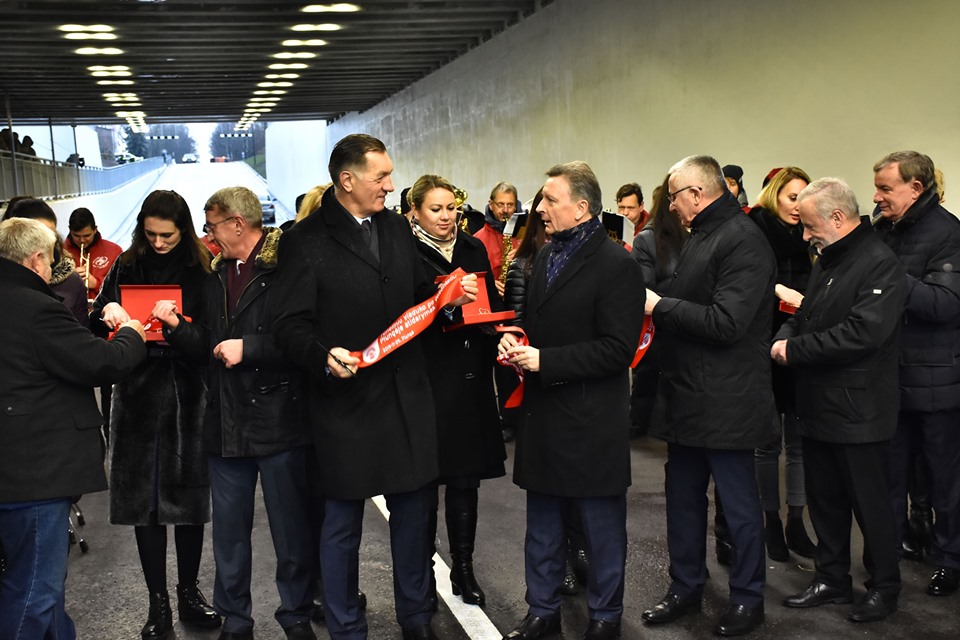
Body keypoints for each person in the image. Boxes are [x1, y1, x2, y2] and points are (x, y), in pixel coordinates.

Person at [272, 134, 477, 640]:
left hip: (407, 399)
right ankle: (346, 625)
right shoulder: (305, 240)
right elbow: (289, 326)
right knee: (341, 527)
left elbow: (418, 298)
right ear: (347, 180)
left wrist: (447, 299)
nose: (390, 185)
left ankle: (417, 619)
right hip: (346, 404)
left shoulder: (396, 227)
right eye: (380, 176)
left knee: (414, 520)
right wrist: (323, 357)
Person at [156, 187, 316, 640]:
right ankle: (236, 619)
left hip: (278, 419)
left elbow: (305, 340)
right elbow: (208, 345)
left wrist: (251, 349)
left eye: (212, 227)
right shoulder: (214, 276)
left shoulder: (288, 268)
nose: (209, 237)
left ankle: (296, 615)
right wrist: (177, 328)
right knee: (229, 535)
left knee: (291, 532)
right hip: (225, 422)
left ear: (238, 224)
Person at [498, 161, 644, 640]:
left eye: (549, 200)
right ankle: (542, 612)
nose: (539, 208)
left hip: (590, 420)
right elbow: (540, 326)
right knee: (542, 526)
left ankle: (605, 618)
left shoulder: (618, 265)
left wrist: (546, 361)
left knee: (601, 530)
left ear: (581, 208)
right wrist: (516, 340)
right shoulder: (545, 257)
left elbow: (618, 349)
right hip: (545, 415)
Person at [642, 155, 775, 637]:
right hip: (689, 395)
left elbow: (727, 323)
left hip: (727, 400)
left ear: (697, 194)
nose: (671, 206)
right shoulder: (702, 235)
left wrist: (660, 306)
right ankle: (685, 587)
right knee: (682, 500)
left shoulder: (741, 240)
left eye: (674, 196)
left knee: (738, 508)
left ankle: (747, 599)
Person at [0, 217, 147, 640]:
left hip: (14, 469)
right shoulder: (35, 308)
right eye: (50, 261)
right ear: (35, 260)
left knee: (39, 587)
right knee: (35, 589)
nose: (51, 269)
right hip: (35, 472)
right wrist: (132, 334)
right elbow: (102, 362)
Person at [773, 177, 906, 623]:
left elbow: (862, 334)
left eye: (810, 226)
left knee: (871, 506)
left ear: (836, 217)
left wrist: (794, 350)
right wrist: (785, 336)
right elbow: (807, 313)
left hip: (859, 409)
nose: (805, 235)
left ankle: (884, 587)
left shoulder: (879, 263)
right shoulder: (829, 259)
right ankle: (832, 578)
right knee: (825, 500)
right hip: (820, 403)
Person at [90, 190, 220, 640]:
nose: (159, 243)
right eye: (151, 235)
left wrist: (178, 327)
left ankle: (188, 593)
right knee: (143, 505)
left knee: (188, 503)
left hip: (187, 393)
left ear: (184, 229)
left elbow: (209, 343)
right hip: (136, 393)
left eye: (167, 235)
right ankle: (157, 602)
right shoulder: (126, 265)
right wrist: (105, 310)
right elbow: (93, 321)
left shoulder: (203, 271)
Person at [407, 174, 507, 608]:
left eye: (451, 208)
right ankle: (423, 572)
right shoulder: (405, 252)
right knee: (425, 484)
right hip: (427, 379)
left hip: (469, 377)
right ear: (415, 212)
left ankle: (463, 567)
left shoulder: (472, 247)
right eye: (436, 209)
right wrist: (447, 307)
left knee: (466, 481)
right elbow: (404, 315)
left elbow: (486, 306)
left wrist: (500, 329)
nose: (446, 216)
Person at [872, 150, 960, 597]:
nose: (877, 197)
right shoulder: (882, 229)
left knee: (945, 481)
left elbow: (944, 304)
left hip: (937, 383)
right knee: (889, 478)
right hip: (889, 377)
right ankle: (887, 560)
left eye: (885, 188)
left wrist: (888, 275)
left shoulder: (948, 233)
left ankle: (950, 560)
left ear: (916, 187)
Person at [747, 167, 818, 562]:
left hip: (803, 342)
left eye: (803, 198)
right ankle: (770, 520)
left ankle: (796, 520)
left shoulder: (813, 233)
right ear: (774, 195)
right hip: (763, 344)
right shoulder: (753, 232)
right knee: (767, 442)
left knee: (799, 442)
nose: (797, 205)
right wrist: (776, 289)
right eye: (792, 197)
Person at [3, 198, 88, 327]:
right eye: (36, 235)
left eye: (49, 235)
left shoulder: (72, 282)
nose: (45, 241)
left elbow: (82, 332)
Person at [62, 207, 123, 301]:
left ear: (95, 229)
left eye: (87, 235)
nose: (82, 240)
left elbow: (120, 287)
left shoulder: (114, 250)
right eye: (76, 236)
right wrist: (69, 278)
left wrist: (96, 283)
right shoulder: (60, 251)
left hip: (103, 306)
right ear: (70, 230)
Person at [474, 181, 522, 295]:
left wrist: (524, 256)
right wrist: (489, 284)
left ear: (516, 206)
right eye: (500, 204)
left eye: (510, 205)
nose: (505, 210)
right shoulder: (476, 240)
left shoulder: (526, 236)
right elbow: (471, 276)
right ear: (491, 205)